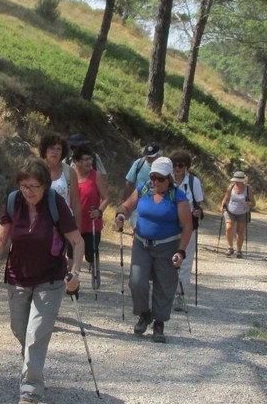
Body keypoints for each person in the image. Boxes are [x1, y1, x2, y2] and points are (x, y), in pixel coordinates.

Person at [0, 156, 84, 404]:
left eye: (34, 187)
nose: (29, 192)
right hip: (18, 276)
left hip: (50, 278)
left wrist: (75, 272)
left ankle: (30, 390)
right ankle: (32, 365)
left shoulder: (55, 203)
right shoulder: (13, 201)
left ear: (45, 186)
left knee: (36, 333)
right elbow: (1, 236)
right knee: (20, 329)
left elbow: (77, 241)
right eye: (24, 186)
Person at [115, 156, 193, 344]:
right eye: (153, 178)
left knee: (164, 285)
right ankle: (144, 314)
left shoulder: (178, 198)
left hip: (167, 246)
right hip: (141, 244)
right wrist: (120, 214)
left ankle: (159, 323)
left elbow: (187, 226)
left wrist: (181, 252)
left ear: (169, 179)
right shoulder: (143, 189)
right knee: (136, 282)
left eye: (160, 179)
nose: (155, 182)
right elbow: (126, 205)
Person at [70, 145, 109, 290]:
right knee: (72, 251)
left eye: (90, 158)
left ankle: (95, 271)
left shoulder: (95, 176)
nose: (89, 162)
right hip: (74, 222)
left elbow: (106, 198)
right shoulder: (71, 176)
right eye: (85, 159)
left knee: (91, 252)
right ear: (76, 161)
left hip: (92, 221)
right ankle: (73, 279)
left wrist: (99, 211)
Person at [169, 150, 205, 308]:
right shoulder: (165, 181)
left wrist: (198, 212)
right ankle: (166, 292)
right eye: (174, 165)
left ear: (186, 167)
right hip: (169, 227)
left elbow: (199, 205)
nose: (176, 168)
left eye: (180, 165)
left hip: (188, 227)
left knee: (185, 260)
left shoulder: (193, 182)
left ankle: (180, 295)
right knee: (167, 260)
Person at [220, 170, 255, 258]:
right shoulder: (231, 187)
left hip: (243, 212)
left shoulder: (248, 189)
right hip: (230, 210)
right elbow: (226, 199)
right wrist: (222, 207)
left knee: (240, 231)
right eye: (235, 180)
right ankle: (230, 247)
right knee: (229, 227)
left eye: (238, 181)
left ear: (242, 181)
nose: (236, 182)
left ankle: (239, 250)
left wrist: (249, 204)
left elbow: (254, 203)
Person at [39, 133, 74, 209]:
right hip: (42, 218)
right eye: (51, 148)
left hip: (64, 218)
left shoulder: (69, 171)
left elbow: (76, 204)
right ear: (45, 151)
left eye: (58, 149)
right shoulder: (36, 169)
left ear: (62, 152)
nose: (55, 151)